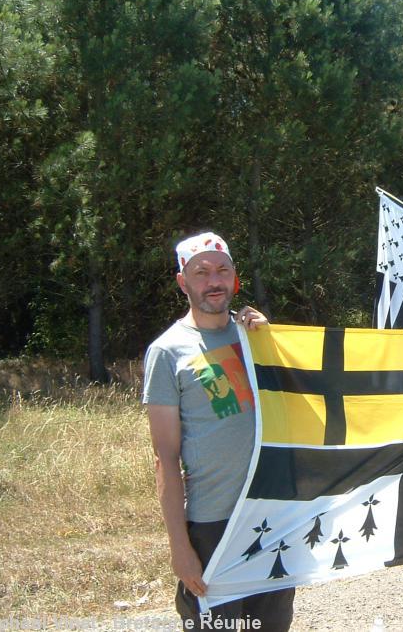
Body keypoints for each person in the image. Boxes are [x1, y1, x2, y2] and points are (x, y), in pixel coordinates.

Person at [143, 231, 295, 631]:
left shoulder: (257, 337)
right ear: (183, 282)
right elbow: (165, 457)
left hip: (269, 518)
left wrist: (273, 341)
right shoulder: (168, 351)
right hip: (212, 525)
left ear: (235, 278)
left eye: (222, 270)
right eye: (201, 272)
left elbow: (296, 409)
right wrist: (180, 548)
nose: (214, 280)